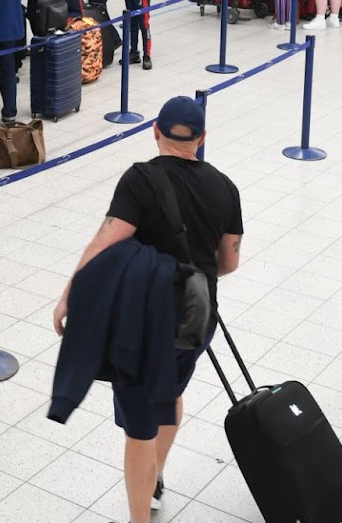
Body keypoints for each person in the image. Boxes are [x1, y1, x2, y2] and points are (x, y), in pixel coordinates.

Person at [50, 96, 243, 523]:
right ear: (202, 138)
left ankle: (141, 517)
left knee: (139, 422)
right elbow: (228, 262)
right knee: (170, 394)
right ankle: (155, 479)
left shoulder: (140, 180)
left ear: (155, 131)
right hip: (196, 318)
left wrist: (70, 296)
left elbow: (104, 243)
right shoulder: (225, 187)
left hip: (142, 324)